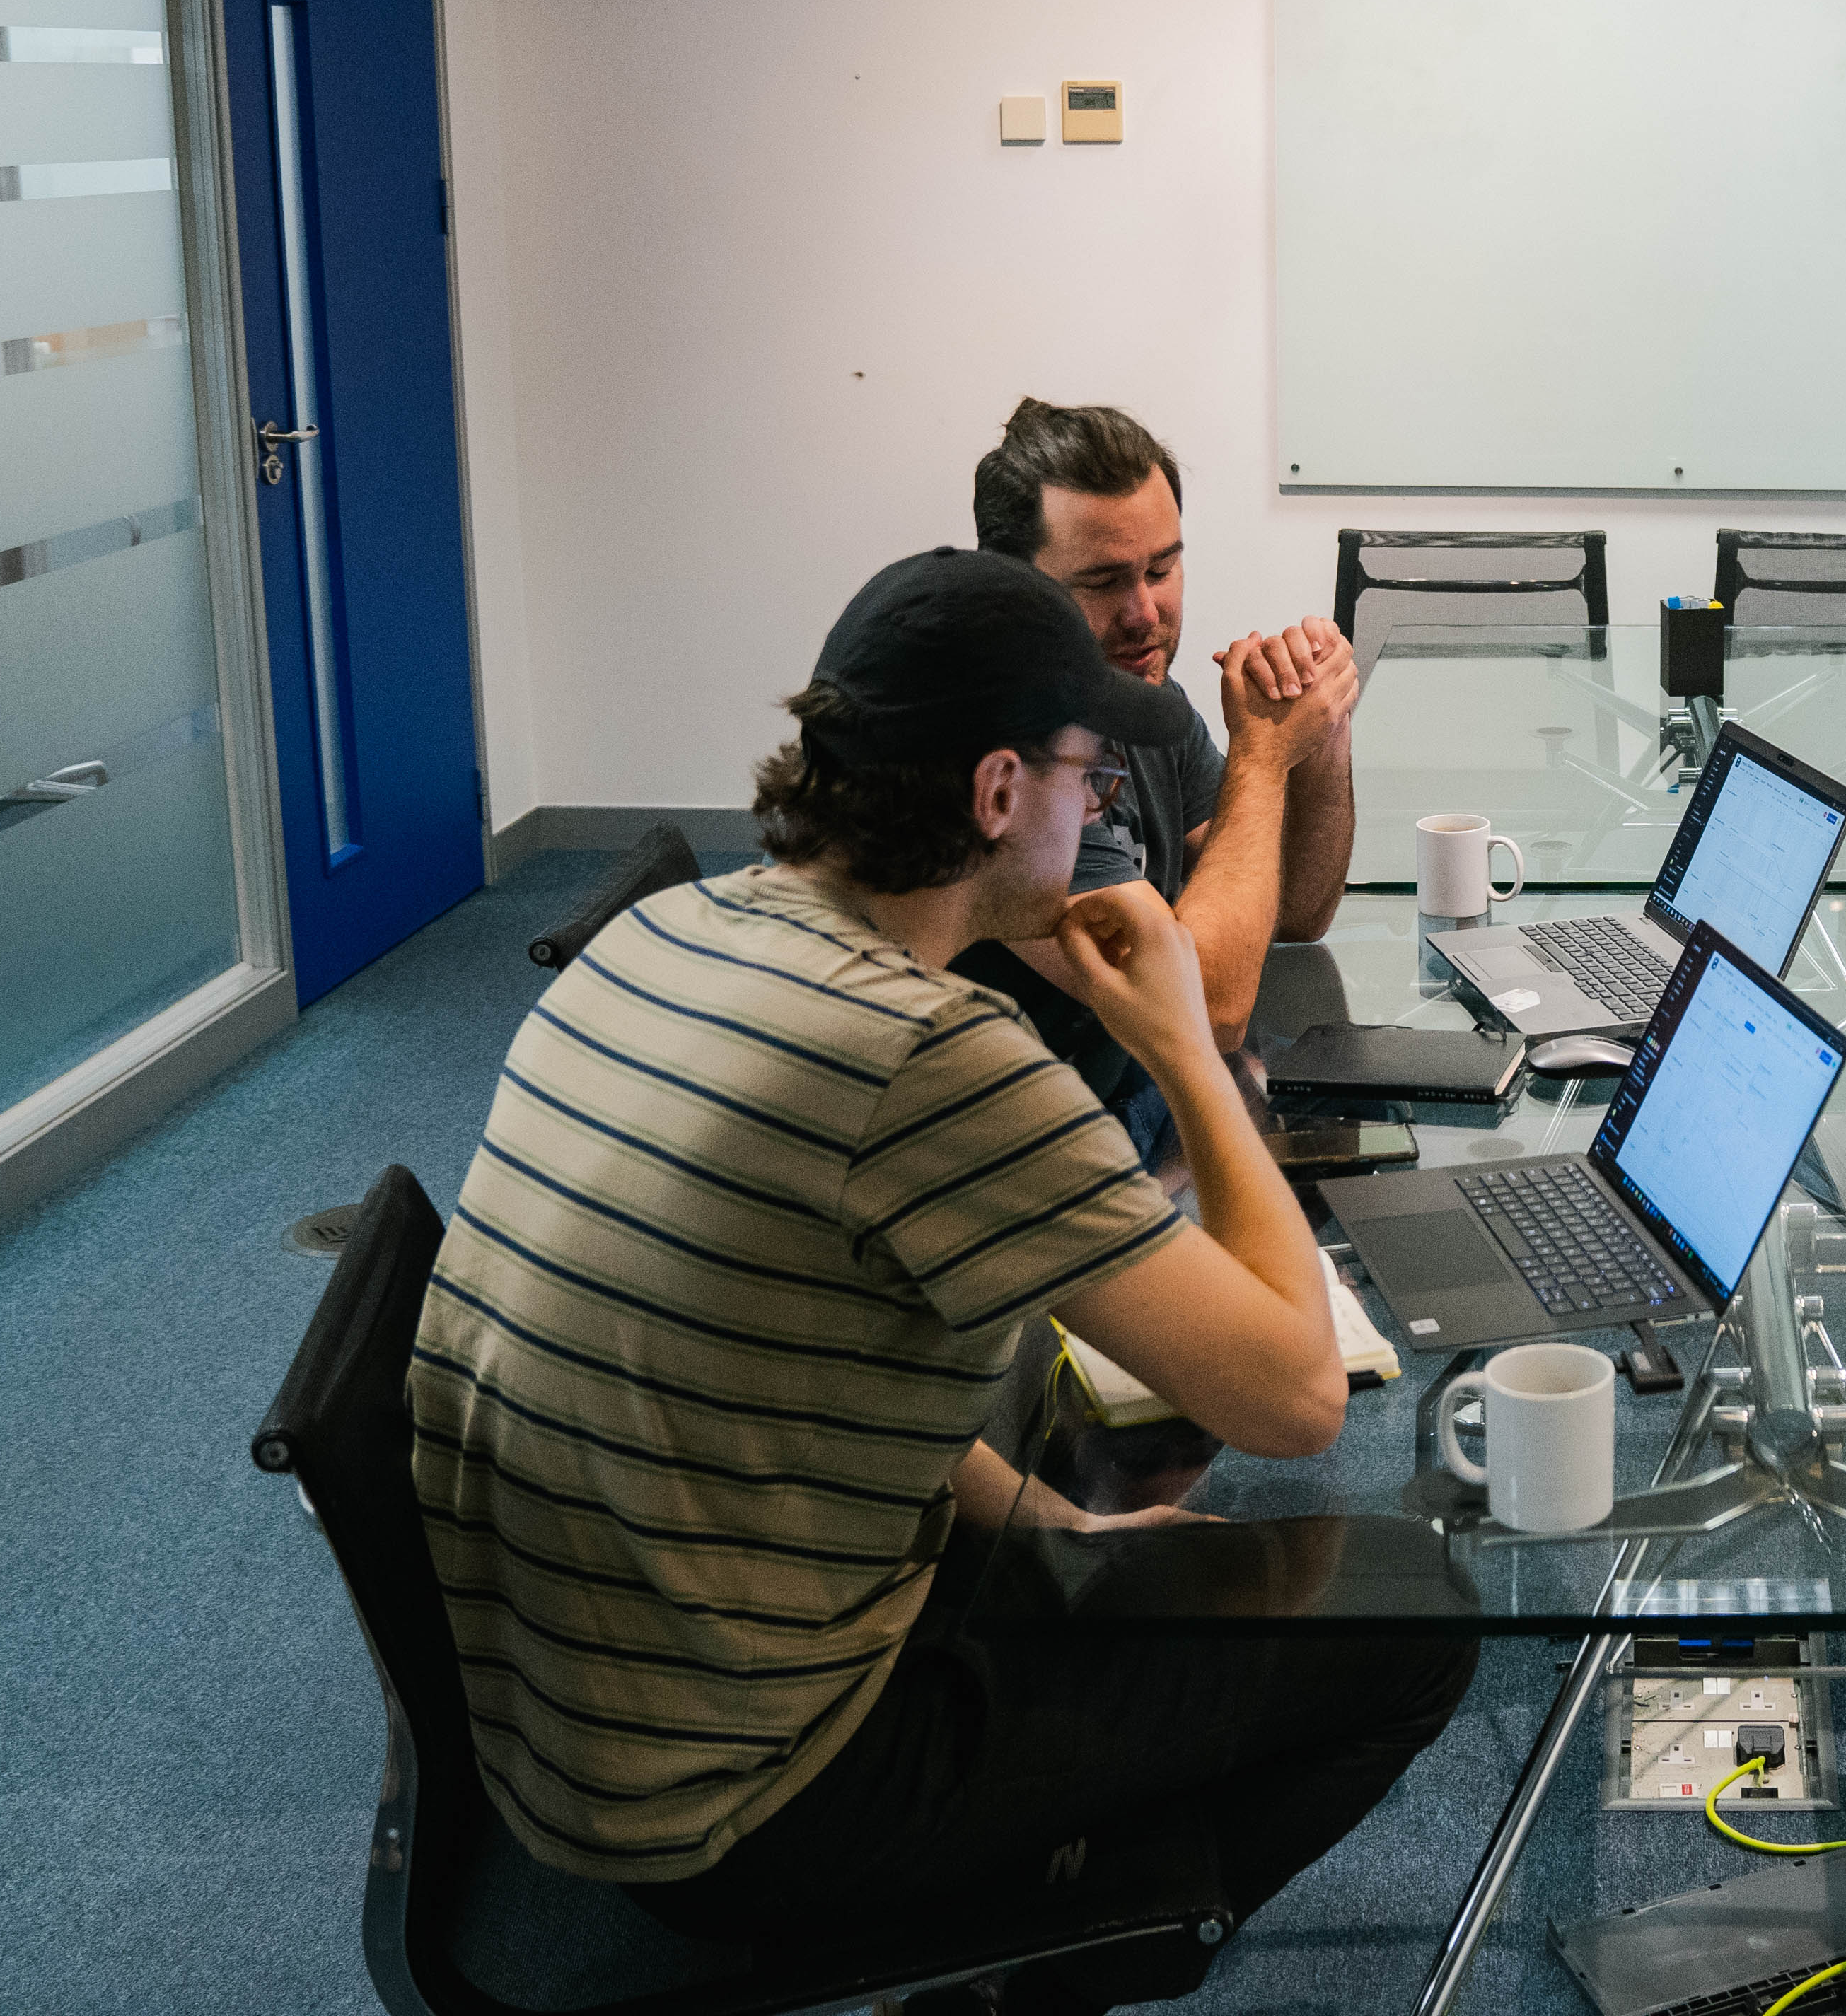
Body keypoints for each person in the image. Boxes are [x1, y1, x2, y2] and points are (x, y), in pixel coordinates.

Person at [409, 548, 1472, 1960]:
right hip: (757, 1802)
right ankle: (1054, 1947)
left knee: (1055, 1421)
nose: (1099, 806)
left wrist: (1057, 1524)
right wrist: (1184, 1046)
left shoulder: (666, 934)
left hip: (586, 1729)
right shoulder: (928, 1053)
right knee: (1413, 1607)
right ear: (995, 792)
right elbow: (1295, 1398)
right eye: (1088, 774)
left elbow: (818, 1377)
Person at [958, 400, 1358, 1172]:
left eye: (1161, 569)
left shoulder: (1144, 701)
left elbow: (1296, 912)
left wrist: (1322, 728)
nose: (1145, 614)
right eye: (1104, 581)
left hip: (1130, 1100)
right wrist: (1262, 756)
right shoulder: (1012, 764)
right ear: (1015, 590)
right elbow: (1207, 1009)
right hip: (1030, 1156)